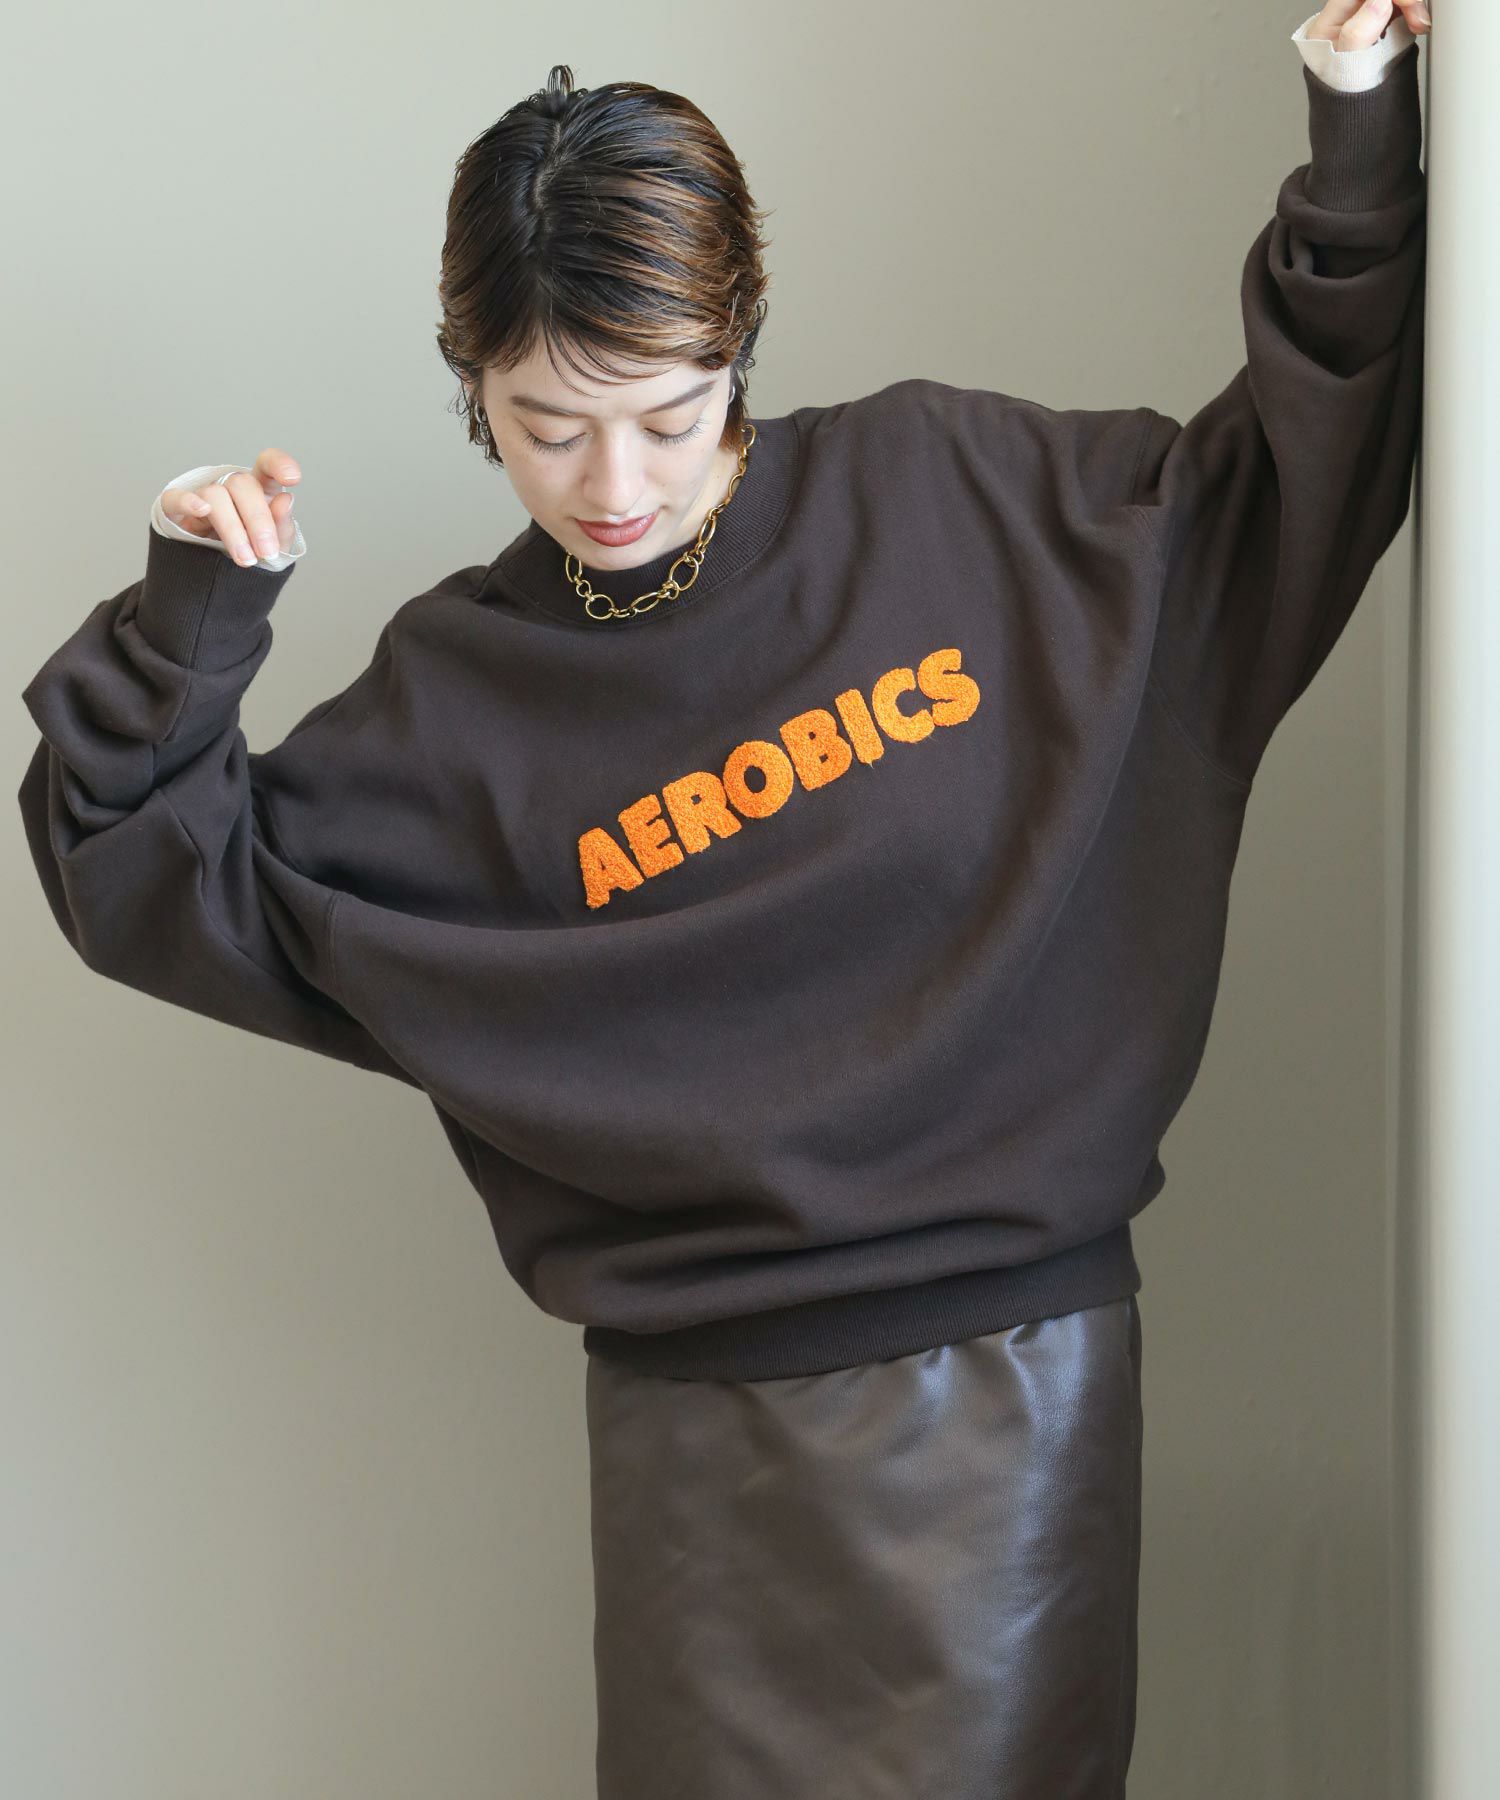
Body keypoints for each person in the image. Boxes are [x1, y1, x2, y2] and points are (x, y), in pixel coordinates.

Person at [17, 5, 1430, 1794]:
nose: (612, 487)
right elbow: (136, 863)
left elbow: (1287, 482)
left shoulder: (956, 500)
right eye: (544, 427)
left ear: (738, 344)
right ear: (472, 387)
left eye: (670, 416)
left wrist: (1357, 129)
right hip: (692, 1449)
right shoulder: (459, 701)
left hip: (1002, 1402)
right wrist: (193, 611)